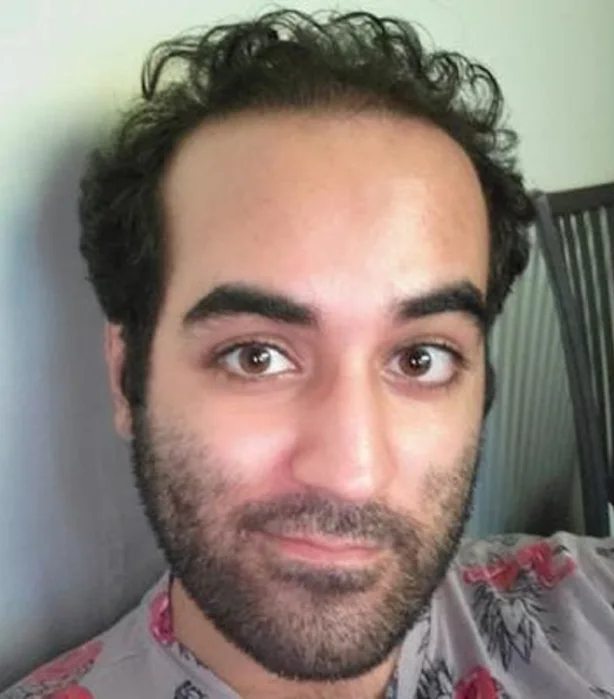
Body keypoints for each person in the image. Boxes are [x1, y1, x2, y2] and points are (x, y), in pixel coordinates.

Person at [3, 8, 613, 699]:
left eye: (421, 358)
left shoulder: (591, 610)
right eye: (256, 356)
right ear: (127, 376)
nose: (351, 473)